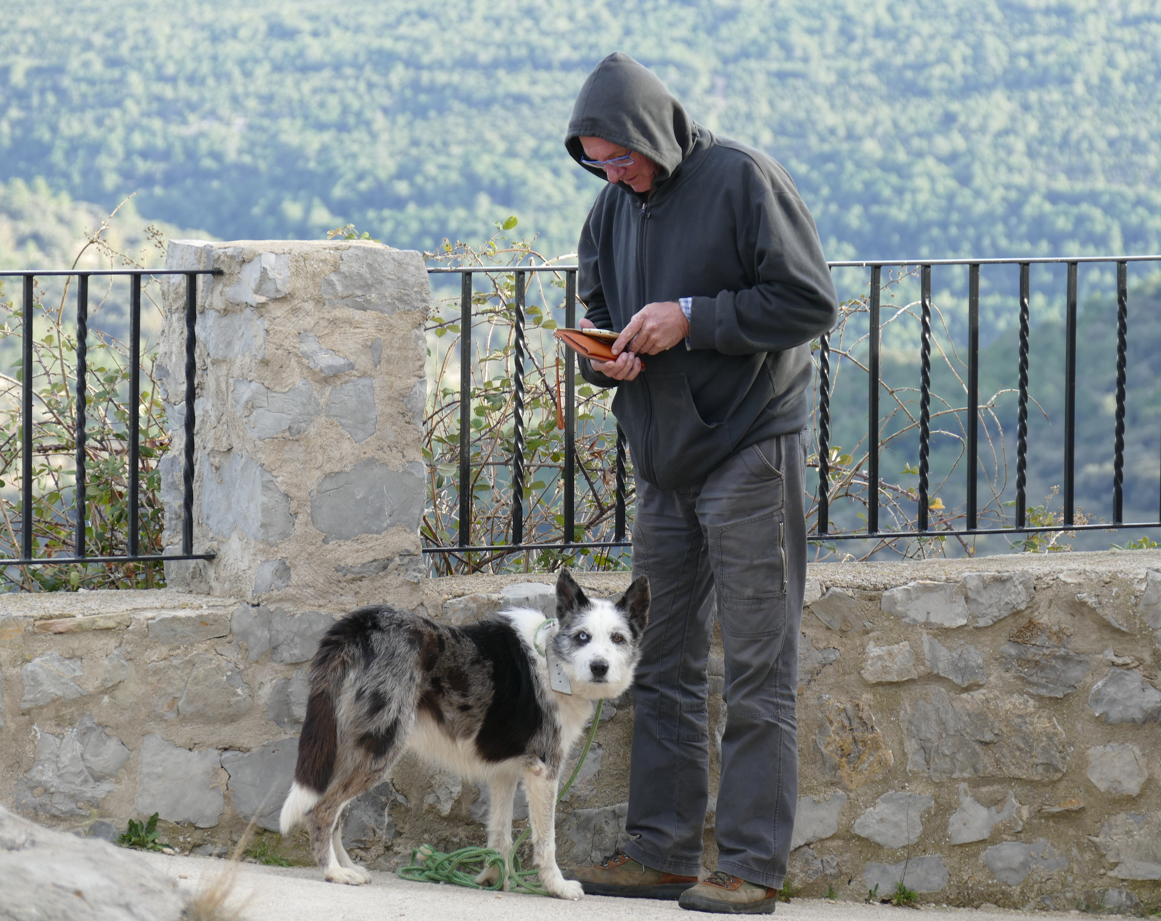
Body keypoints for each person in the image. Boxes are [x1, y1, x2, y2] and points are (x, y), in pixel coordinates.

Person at [563, 53, 839, 915]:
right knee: (664, 660)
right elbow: (601, 309)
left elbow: (808, 301)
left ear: (655, 131)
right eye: (597, 162)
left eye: (622, 157)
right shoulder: (610, 210)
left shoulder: (741, 180)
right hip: (662, 462)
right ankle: (661, 852)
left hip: (750, 444)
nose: (614, 174)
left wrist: (692, 317)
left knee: (759, 662)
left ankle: (751, 866)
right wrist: (610, 362)